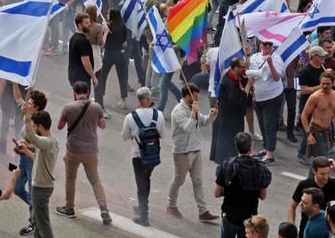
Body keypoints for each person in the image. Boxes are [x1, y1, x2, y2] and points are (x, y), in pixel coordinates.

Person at [213, 132, 271, 238]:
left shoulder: (227, 166)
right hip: (249, 223)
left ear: (236, 147)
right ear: (251, 147)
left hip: (229, 217)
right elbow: (263, 196)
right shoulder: (260, 169)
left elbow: (217, 193)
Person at [55, 81, 112, 225]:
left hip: (73, 150)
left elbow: (60, 126)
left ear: (74, 93)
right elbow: (103, 125)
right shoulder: (96, 107)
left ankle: (69, 208)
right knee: (95, 180)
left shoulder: (68, 107)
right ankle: (104, 209)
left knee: (70, 179)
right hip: (91, 150)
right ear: (87, 92)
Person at [167, 83, 219, 221]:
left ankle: (203, 211)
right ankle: (171, 205)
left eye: (197, 97)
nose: (197, 100)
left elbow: (204, 122)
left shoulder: (193, 108)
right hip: (182, 152)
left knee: (198, 181)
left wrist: (211, 115)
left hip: (195, 150)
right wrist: (193, 113)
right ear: (187, 96)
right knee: (179, 180)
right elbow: (187, 128)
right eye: (194, 97)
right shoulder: (178, 111)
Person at [19, 103, 59, 238]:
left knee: (43, 224)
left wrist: (27, 116)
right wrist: (25, 150)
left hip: (42, 187)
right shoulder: (50, 142)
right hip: (41, 185)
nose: (33, 129)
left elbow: (33, 138)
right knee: (36, 219)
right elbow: (38, 157)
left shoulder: (46, 142)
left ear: (41, 127)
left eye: (35, 126)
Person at [120, 86, 164, 226]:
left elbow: (125, 137)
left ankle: (144, 215)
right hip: (153, 155)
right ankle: (142, 206)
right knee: (146, 179)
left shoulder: (130, 117)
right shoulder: (158, 115)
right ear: (147, 99)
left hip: (138, 156)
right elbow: (162, 135)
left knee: (141, 185)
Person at [288, 157, 335, 225]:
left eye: (328, 173)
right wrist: (292, 228)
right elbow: (292, 206)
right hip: (306, 231)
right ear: (314, 171)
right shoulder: (305, 184)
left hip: (328, 234)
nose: (326, 177)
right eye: (322, 174)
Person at [211, 57, 250, 166]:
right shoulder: (230, 83)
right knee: (226, 151)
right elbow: (237, 102)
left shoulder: (233, 77)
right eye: (242, 67)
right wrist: (248, 86)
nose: (244, 69)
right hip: (229, 122)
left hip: (229, 120)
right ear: (235, 67)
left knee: (226, 150)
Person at [301, 69, 335, 160]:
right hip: (316, 131)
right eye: (322, 83)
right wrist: (308, 134)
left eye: (327, 84)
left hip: (328, 131)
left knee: (320, 163)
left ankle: (316, 173)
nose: (324, 86)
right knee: (322, 161)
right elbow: (304, 115)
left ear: (333, 83)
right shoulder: (315, 97)